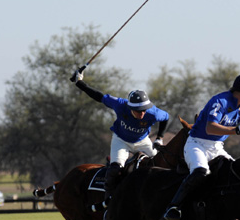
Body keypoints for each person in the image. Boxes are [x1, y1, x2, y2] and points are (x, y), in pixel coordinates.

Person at [162, 73, 240, 220]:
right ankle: (173, 208)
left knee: (238, 175)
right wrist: (236, 130)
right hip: (197, 144)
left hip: (216, 147)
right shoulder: (220, 101)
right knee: (200, 172)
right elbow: (210, 128)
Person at [71, 69, 169, 200]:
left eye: (144, 110)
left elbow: (166, 118)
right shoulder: (120, 105)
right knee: (115, 169)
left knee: (162, 165)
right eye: (138, 111)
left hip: (143, 141)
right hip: (121, 140)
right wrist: (80, 83)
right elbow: (98, 96)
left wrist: (159, 139)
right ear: (130, 107)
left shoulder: (153, 113)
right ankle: (109, 198)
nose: (142, 114)